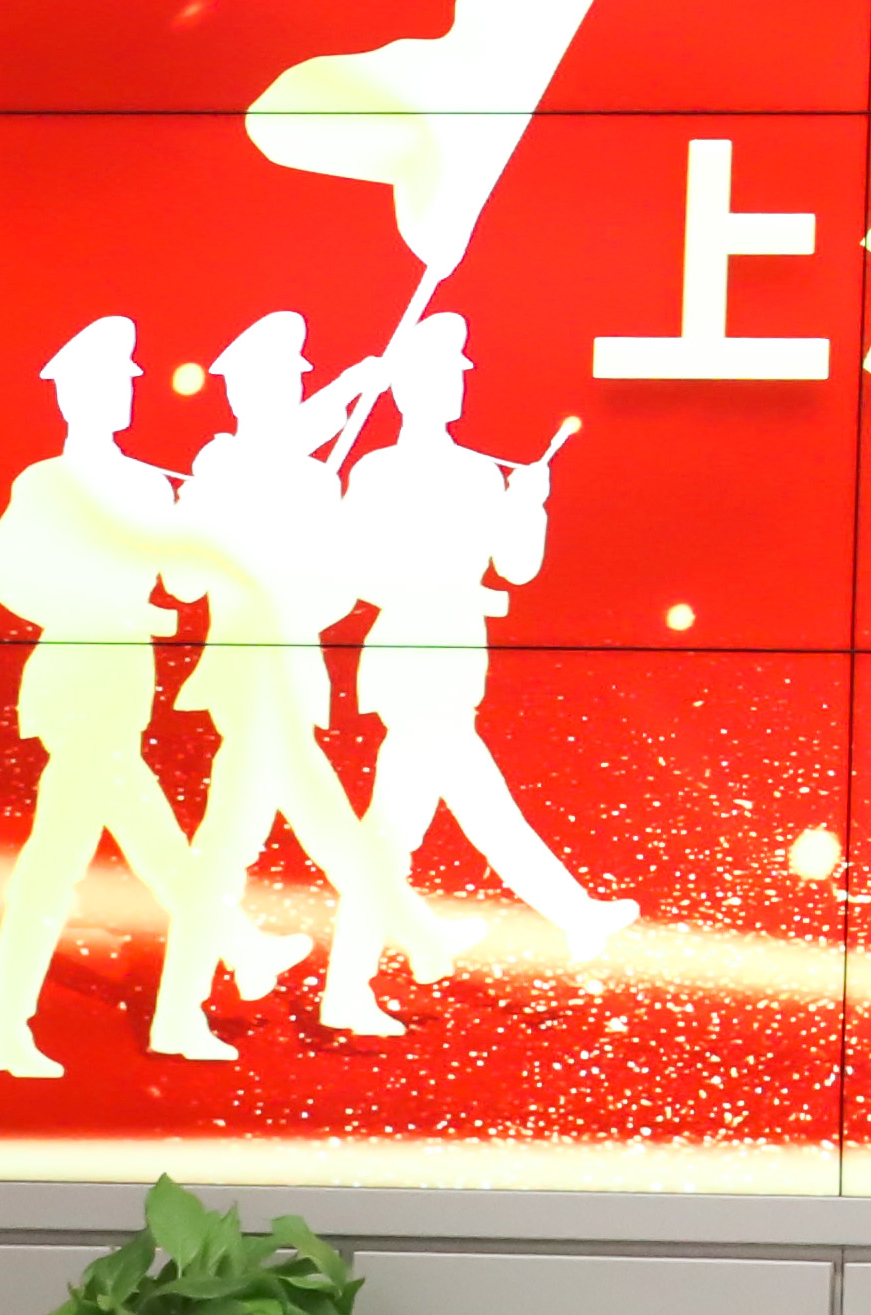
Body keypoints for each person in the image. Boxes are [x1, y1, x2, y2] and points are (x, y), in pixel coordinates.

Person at [338, 312, 638, 990]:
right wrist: (441, 588)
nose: (454, 386)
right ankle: (573, 914)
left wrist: (531, 504)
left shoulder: (480, 474)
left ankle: (358, 976)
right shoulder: (377, 472)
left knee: (395, 834)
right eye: (438, 375)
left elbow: (517, 566)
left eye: (457, 375)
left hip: (455, 659)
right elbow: (355, 569)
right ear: (405, 387)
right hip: (409, 656)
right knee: (471, 805)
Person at [172, 310, 443, 1046]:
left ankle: (328, 977)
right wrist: (349, 388)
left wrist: (319, 578)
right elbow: (189, 577)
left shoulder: (302, 476)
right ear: (248, 392)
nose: (293, 393)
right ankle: (390, 953)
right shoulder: (228, 471)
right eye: (281, 383)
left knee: (255, 845)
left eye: (296, 383)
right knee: (294, 845)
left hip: (288, 678)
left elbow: (333, 588)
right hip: (253, 678)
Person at [0, 318, 229, 1082]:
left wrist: (201, 517)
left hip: (122, 690)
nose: (125, 391)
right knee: (93, 862)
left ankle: (204, 988)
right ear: (73, 395)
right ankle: (13, 1032)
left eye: (126, 380)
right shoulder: (46, 484)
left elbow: (184, 583)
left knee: (91, 860)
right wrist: (89, 608)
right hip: (76, 685)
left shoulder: (148, 484)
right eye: (110, 381)